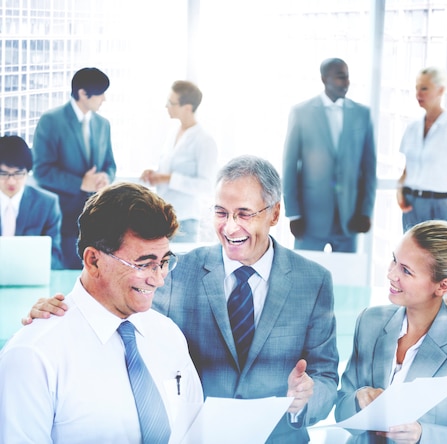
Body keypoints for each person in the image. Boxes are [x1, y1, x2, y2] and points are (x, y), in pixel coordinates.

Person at [24, 155, 339, 443]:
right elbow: (119, 299)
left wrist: (305, 401)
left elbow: (325, 376)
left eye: (244, 214)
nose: (230, 227)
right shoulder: (175, 270)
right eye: (221, 212)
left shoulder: (313, 282)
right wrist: (67, 308)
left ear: (274, 214)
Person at [0, 182, 203, 443]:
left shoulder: (168, 335)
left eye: (163, 263)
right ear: (93, 261)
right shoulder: (33, 356)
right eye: (144, 264)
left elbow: (194, 433)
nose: (159, 279)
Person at [335, 220, 447, 444]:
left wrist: (423, 435)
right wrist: (358, 399)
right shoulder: (370, 322)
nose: (391, 274)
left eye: (406, 270)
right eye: (394, 260)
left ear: (442, 286)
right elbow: (342, 413)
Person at [283, 57, 377, 253]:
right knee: (305, 278)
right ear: (324, 79)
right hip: (309, 220)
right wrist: (293, 214)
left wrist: (365, 212)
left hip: (349, 220)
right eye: (340, 77)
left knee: (347, 280)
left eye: (348, 77)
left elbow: (369, 168)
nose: (346, 83)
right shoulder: (301, 112)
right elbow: (290, 166)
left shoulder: (362, 114)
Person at [33, 67, 116, 269]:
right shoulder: (51, 121)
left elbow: (110, 164)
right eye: (99, 93)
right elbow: (42, 171)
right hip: (63, 217)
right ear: (82, 93)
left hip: (97, 218)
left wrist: (105, 177)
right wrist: (81, 183)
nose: (103, 99)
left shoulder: (103, 124)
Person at [140, 80, 218, 243]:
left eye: (171, 102)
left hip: (186, 220)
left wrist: (168, 179)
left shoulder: (204, 141)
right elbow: (169, 167)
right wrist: (155, 174)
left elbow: (206, 185)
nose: (166, 106)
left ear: (187, 108)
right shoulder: (173, 133)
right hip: (163, 216)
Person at [396, 67, 447, 232]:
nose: (418, 94)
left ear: (441, 90)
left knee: (439, 258)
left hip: (439, 207)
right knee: (409, 256)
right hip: (411, 206)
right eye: (416, 88)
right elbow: (407, 171)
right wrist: (400, 192)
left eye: (424, 88)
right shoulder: (412, 127)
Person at [0, 135, 62, 268]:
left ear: (27, 172)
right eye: (3, 174)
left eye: (18, 173)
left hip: (29, 276)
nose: (11, 181)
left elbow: (55, 258)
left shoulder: (47, 204)